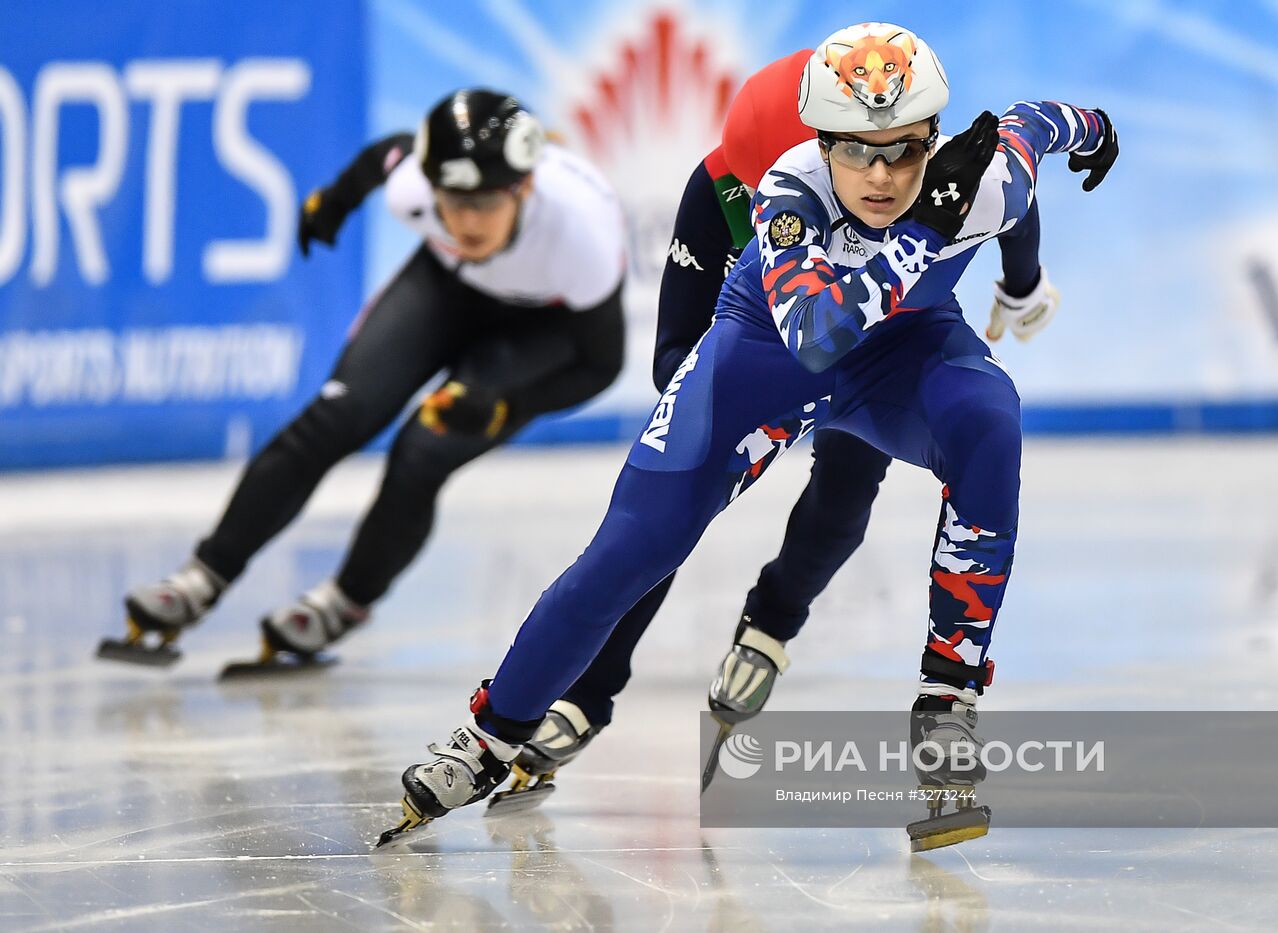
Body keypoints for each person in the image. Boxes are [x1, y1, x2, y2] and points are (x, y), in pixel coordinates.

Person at [378, 21, 1118, 843]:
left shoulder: (981, 180)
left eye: (903, 151)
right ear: (818, 141)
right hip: (770, 351)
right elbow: (818, 337)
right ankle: (491, 733)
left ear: (934, 138)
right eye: (853, 150)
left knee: (990, 421)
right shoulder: (790, 189)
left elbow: (1040, 129)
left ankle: (947, 700)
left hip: (901, 349)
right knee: (636, 546)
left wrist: (1076, 175)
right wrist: (923, 235)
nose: (878, 173)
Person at [99, 89, 627, 670]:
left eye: (484, 203)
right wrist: (335, 201)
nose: (468, 220)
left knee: (422, 451)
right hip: (444, 287)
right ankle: (202, 577)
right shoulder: (414, 189)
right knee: (335, 418)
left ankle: (344, 602)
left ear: (523, 188)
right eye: (454, 201)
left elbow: (602, 365)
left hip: (538, 328)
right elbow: (388, 154)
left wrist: (509, 405)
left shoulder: (584, 238)